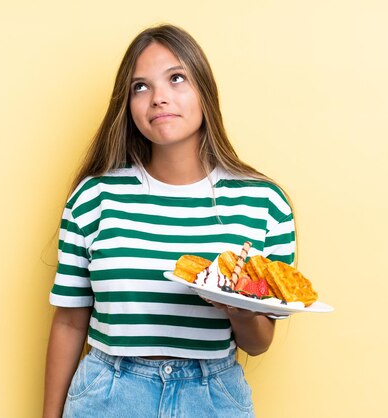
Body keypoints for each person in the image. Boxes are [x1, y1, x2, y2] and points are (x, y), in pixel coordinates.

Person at [43, 24, 296, 418]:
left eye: (176, 78)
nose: (159, 98)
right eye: (140, 87)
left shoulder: (263, 203)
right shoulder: (94, 197)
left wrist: (238, 308)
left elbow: (259, 343)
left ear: (204, 92)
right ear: (127, 105)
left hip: (212, 398)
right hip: (107, 396)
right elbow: (71, 322)